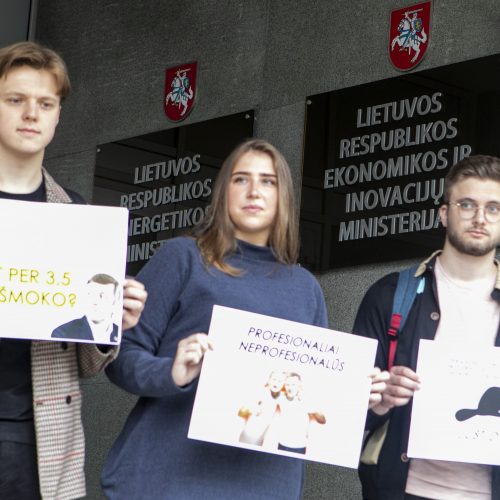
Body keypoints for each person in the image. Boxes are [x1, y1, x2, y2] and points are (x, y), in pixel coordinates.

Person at [100, 139, 330, 500]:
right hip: (167, 481)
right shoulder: (184, 258)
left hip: (265, 485)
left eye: (268, 181)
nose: (254, 190)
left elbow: (317, 391)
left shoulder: (305, 288)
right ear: (223, 191)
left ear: (284, 195)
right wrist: (171, 373)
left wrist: (360, 397)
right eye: (241, 179)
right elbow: (119, 355)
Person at [0, 41, 147, 500]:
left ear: (58, 117)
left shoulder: (77, 216)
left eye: (45, 104)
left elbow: (84, 362)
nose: (31, 114)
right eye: (15, 100)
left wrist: (111, 324)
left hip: (41, 438)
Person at [353, 155, 500, 499]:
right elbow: (343, 407)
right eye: (467, 204)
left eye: (493, 208)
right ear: (444, 212)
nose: (480, 217)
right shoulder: (390, 296)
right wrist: (380, 400)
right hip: (401, 489)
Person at [52, 273, 120, 343]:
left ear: (115, 300)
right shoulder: (63, 334)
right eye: (90, 294)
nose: (95, 302)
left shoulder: (121, 334)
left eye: (102, 296)